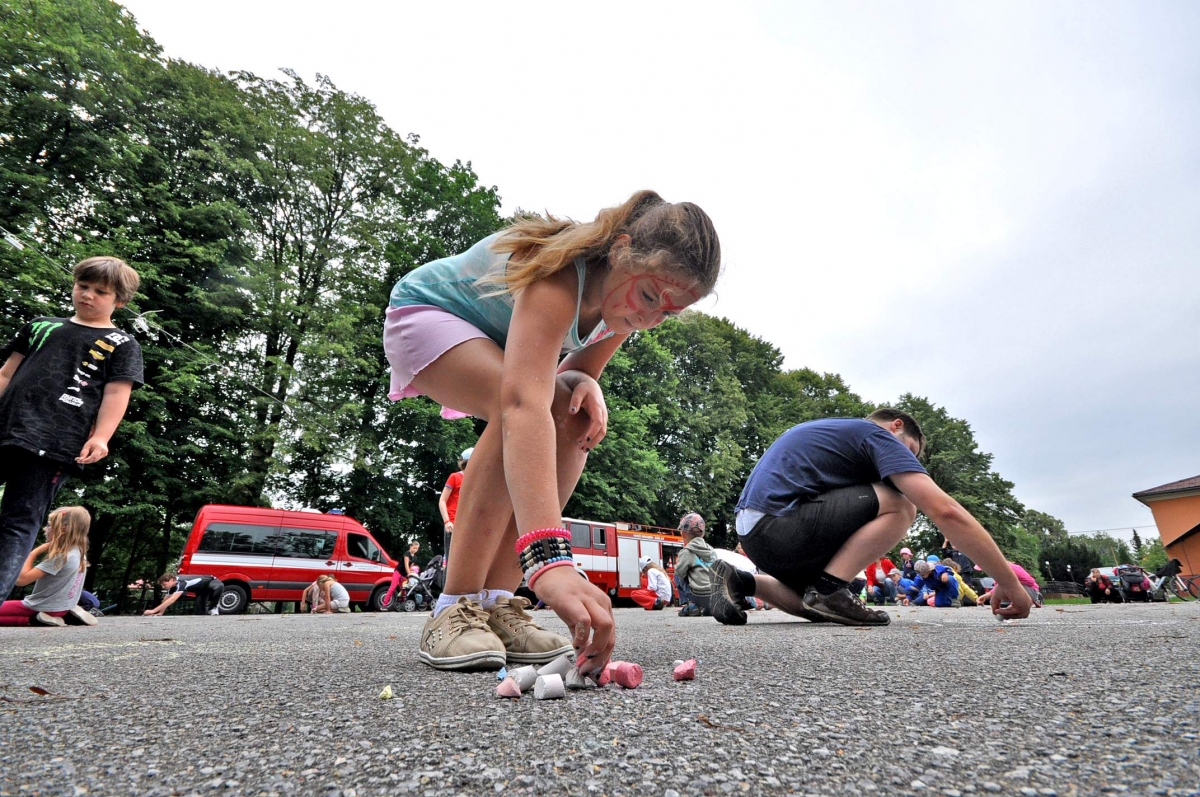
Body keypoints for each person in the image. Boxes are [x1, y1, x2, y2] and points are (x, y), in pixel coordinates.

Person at [384, 190, 720, 670]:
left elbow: (571, 379)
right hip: (427, 317)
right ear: (622, 250)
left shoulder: (622, 312)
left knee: (575, 414)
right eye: (649, 297)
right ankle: (452, 606)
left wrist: (585, 382)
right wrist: (550, 559)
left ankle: (497, 602)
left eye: (667, 313)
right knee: (518, 403)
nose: (649, 318)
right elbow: (523, 402)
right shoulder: (563, 275)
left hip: (498, 349)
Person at [709, 408, 1033, 626]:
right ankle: (830, 589)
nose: (906, 461)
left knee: (819, 607)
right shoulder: (874, 435)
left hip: (757, 534)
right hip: (779, 525)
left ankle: (739, 580)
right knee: (903, 505)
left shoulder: (838, 439)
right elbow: (946, 510)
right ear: (896, 427)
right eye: (909, 451)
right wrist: (1009, 581)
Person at [0, 256, 143, 604]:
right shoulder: (40, 326)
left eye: (100, 291)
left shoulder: (121, 344)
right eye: (83, 286)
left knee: (19, 521)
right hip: (6, 428)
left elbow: (116, 393)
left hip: (55, 443)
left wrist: (101, 436)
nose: (88, 295)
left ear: (119, 301)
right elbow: (6, 373)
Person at [0, 506, 94, 627]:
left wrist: (33, 552)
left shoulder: (61, 557)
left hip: (42, 606)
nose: (45, 529)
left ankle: (33, 620)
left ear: (63, 528)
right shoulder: (79, 553)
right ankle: (66, 616)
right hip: (63, 607)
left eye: (49, 525)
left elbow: (21, 580)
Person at [673, 513, 718, 617]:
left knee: (677, 575)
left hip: (698, 595)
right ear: (703, 534)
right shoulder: (711, 551)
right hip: (714, 595)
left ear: (684, 534)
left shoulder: (686, 551)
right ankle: (709, 608)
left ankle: (691, 605)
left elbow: (680, 572)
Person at [439, 449, 471, 559]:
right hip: (453, 525)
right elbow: (442, 501)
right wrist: (447, 521)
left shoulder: (476, 480)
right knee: (452, 560)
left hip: (468, 525)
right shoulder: (455, 477)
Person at [144, 573, 225, 616]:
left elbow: (172, 599)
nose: (163, 587)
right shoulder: (173, 585)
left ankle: (213, 607)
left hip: (210, 582)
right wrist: (160, 613)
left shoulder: (181, 583)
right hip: (200, 590)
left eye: (164, 584)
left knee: (219, 586)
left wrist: (153, 611)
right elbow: (166, 599)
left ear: (171, 580)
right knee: (200, 612)